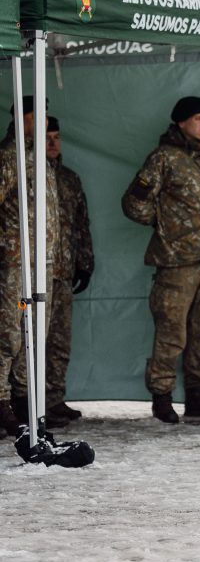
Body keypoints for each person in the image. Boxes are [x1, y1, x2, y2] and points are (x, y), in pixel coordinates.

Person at [121, 96, 200, 423]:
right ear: (181, 122)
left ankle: (197, 394)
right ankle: (161, 396)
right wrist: (163, 224)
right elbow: (134, 203)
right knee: (171, 331)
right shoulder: (164, 158)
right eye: (197, 119)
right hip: (176, 262)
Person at [0, 96, 61, 434]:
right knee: (9, 333)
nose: (45, 122)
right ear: (22, 119)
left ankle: (26, 401)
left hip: (43, 262)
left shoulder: (40, 158)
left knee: (34, 334)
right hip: (16, 263)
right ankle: (1, 402)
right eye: (39, 116)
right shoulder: (10, 157)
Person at [43, 117, 94, 424]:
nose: (53, 143)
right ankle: (26, 401)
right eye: (47, 137)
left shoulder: (69, 179)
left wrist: (85, 263)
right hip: (29, 279)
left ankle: (54, 397)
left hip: (62, 273)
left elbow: (81, 225)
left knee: (60, 340)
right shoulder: (26, 175)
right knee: (29, 340)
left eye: (57, 137)